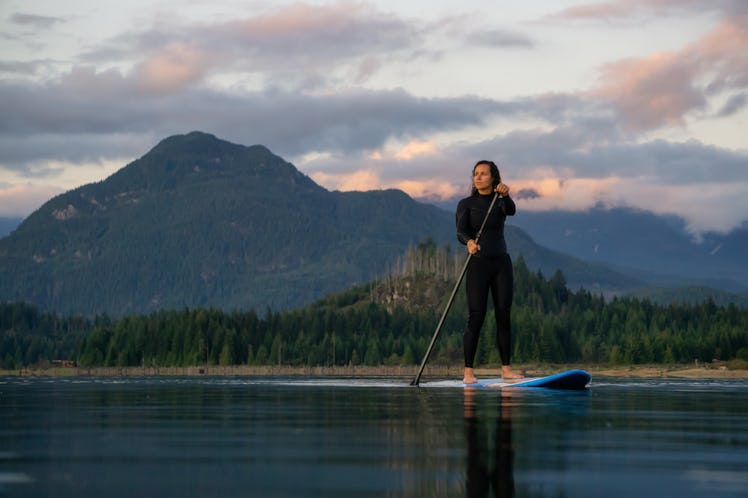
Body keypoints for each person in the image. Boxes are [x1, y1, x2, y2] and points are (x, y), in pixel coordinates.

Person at [456, 160, 522, 384]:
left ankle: (506, 370)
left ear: (494, 177)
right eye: (476, 173)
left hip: (501, 264)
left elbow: (510, 211)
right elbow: (460, 231)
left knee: (503, 315)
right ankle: (468, 373)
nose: (478, 177)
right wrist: (469, 242)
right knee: (477, 316)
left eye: (484, 173)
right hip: (478, 265)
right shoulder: (466, 203)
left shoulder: (499, 200)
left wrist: (505, 194)